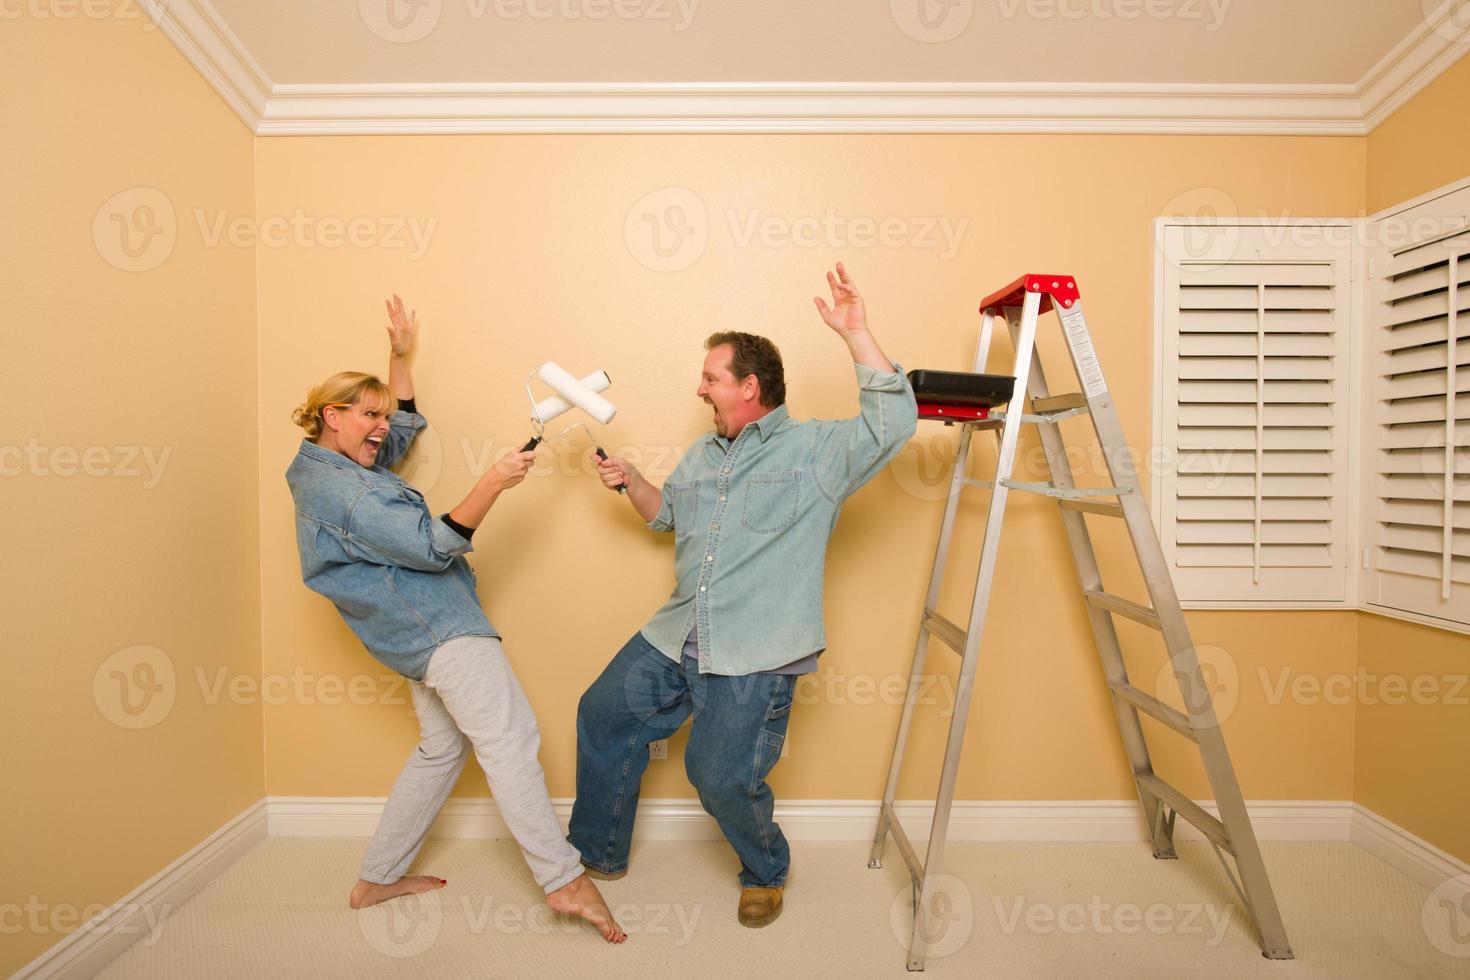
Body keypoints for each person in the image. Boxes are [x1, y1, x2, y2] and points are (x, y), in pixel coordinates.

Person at [569, 263, 918, 928]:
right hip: (680, 634)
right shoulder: (704, 455)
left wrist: (856, 333)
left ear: (749, 386)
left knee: (719, 777)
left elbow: (893, 424)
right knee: (602, 714)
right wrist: (632, 481)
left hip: (755, 650)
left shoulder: (816, 451)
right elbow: (666, 514)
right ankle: (598, 853)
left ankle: (765, 871)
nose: (699, 389)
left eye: (710, 377)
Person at [284, 296, 625, 943]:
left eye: (381, 414)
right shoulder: (345, 490)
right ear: (333, 416)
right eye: (368, 414)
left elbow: (405, 429)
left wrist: (400, 357)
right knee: (512, 738)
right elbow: (432, 545)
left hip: (411, 634)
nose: (383, 427)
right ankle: (564, 879)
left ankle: (377, 877)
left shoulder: (328, 465)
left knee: (443, 747)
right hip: (439, 626)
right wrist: (495, 481)